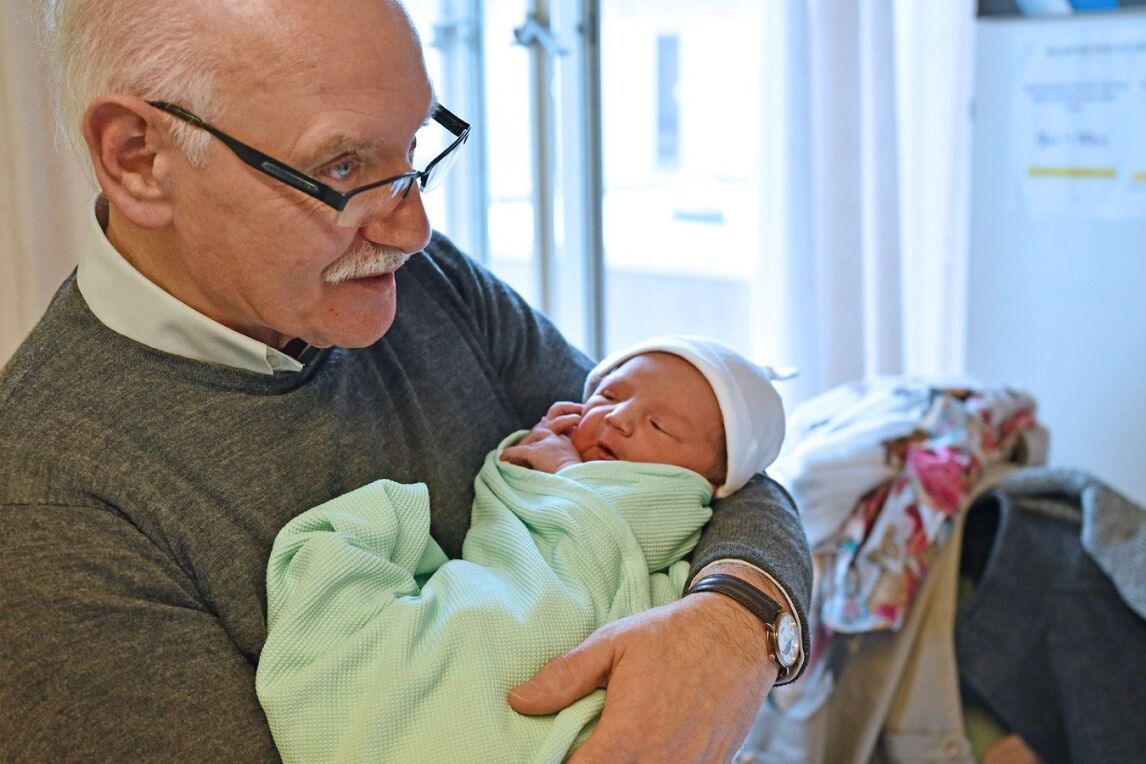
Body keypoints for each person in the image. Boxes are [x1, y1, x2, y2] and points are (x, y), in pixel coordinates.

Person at [0, 1, 812, 761]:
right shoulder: (48, 509)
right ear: (139, 160)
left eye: (416, 145)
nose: (414, 227)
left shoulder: (418, 281)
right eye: (344, 165)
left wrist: (737, 622)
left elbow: (707, 458)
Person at [258, 337, 798, 763]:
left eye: (659, 425)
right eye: (607, 396)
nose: (617, 418)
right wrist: (528, 461)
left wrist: (566, 477)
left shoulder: (678, 496)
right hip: (494, 588)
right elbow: (505, 510)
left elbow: (647, 527)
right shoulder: (562, 443)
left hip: (575, 616)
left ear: (713, 478)